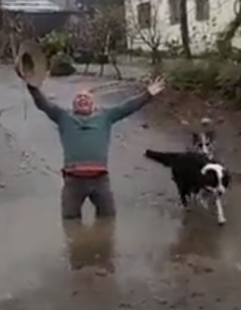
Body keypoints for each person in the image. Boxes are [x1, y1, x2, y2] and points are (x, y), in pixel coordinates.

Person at [21, 75, 166, 219]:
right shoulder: (63, 117)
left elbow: (128, 107)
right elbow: (43, 104)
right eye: (79, 98)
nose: (82, 100)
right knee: (70, 221)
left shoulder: (106, 116)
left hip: (100, 180)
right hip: (73, 181)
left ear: (93, 104)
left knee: (108, 218)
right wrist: (32, 85)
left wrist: (148, 94)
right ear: (73, 104)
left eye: (86, 98)